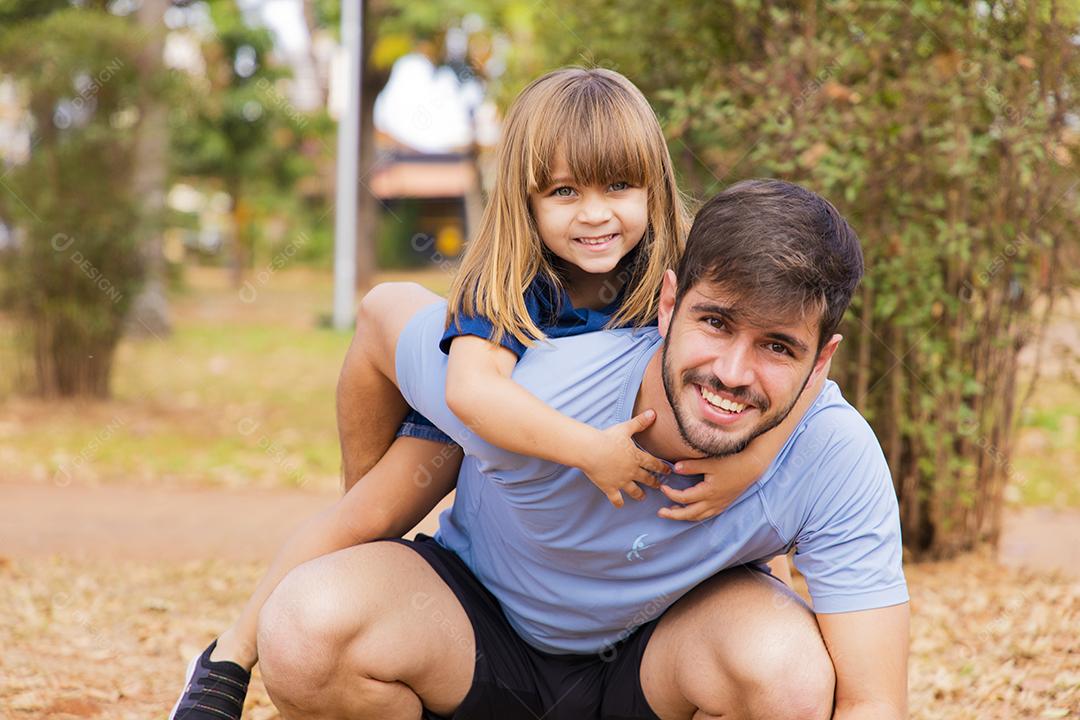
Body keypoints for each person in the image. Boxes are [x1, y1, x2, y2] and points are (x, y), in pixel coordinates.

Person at [168, 68, 811, 720]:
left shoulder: (682, 268)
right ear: (527, 200)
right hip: (489, 434)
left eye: (619, 185)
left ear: (654, 186)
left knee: (749, 536)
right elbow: (473, 393)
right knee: (365, 519)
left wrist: (753, 466)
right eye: (564, 191)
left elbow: (798, 373)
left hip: (625, 565)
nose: (595, 213)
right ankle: (231, 654)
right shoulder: (511, 278)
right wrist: (589, 450)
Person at [255, 179, 910, 720]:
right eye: (716, 322)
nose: (733, 373)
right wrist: (364, 518)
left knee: (785, 675)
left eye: (777, 346)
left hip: (659, 660)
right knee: (307, 627)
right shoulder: (523, 387)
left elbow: (872, 701)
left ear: (821, 361)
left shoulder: (835, 455)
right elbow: (379, 323)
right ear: (669, 301)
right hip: (479, 631)